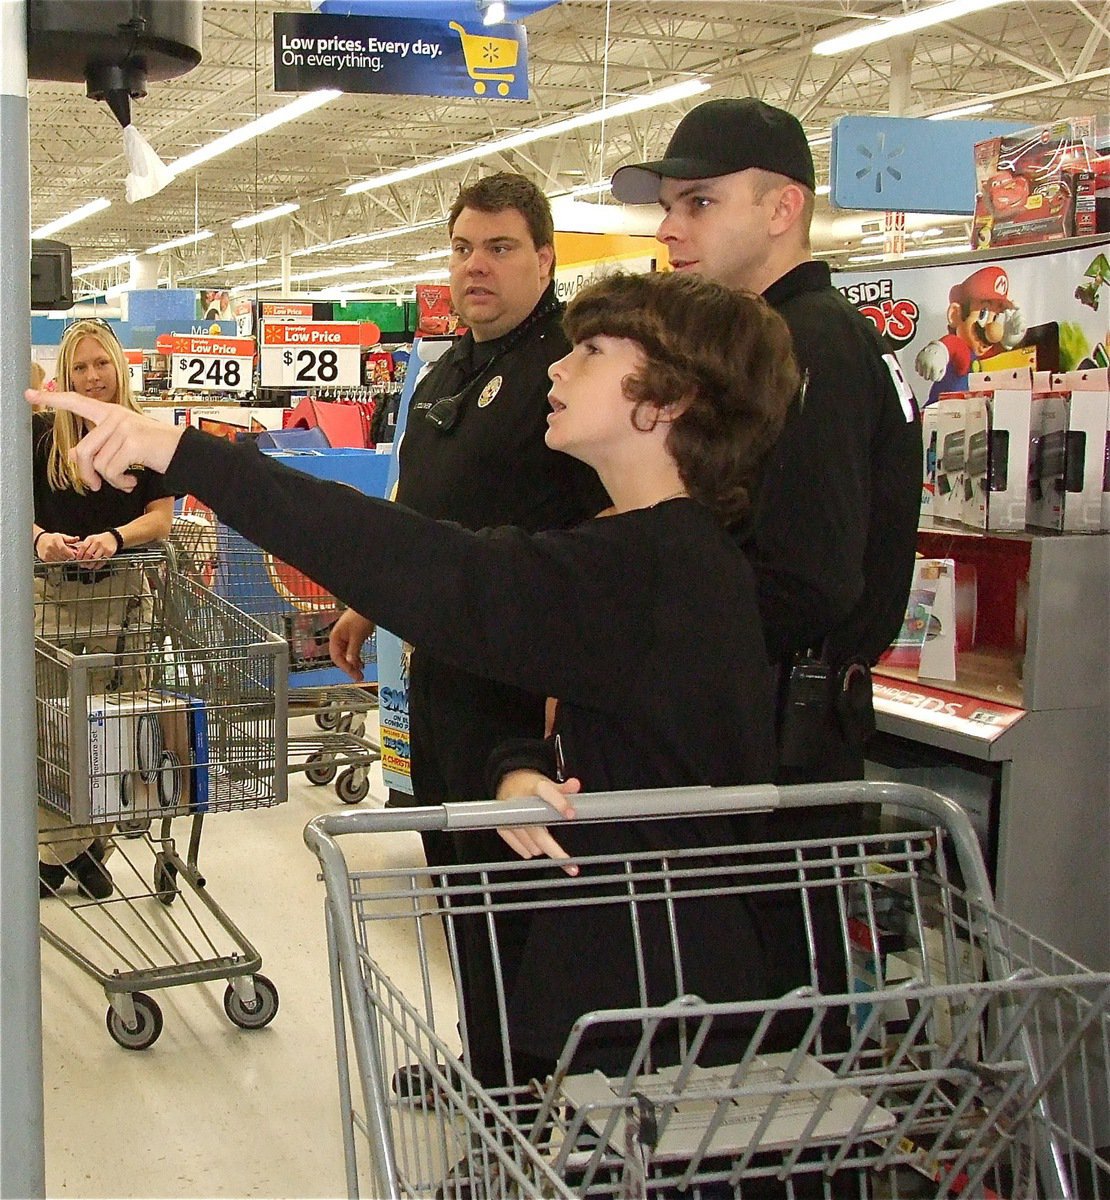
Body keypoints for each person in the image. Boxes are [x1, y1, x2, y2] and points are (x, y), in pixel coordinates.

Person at [30, 268, 798, 1082]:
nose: (558, 369)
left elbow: (433, 569)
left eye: (593, 352)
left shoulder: (652, 568)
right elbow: (617, 713)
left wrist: (187, 457)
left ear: (666, 401)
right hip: (636, 984)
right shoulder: (659, 552)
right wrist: (520, 765)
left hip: (669, 1020)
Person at [611, 96, 922, 785]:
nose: (668, 228)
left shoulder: (808, 347)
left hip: (777, 746)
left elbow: (808, 581)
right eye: (667, 206)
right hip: (765, 726)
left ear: (783, 210)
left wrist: (651, 645)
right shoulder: (784, 341)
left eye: (699, 204)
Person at [329, 172, 608, 831]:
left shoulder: (573, 369)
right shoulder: (445, 371)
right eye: (461, 248)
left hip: (524, 687)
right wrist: (370, 600)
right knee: (454, 878)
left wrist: (572, 682)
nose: (475, 265)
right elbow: (420, 503)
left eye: (500, 247)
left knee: (511, 894)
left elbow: (607, 528)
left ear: (544, 260)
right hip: (439, 672)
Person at [32, 318, 174, 900]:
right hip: (52, 598)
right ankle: (63, 848)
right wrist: (41, 540)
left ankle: (78, 850)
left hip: (122, 597)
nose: (92, 377)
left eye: (101, 363)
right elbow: (14, 511)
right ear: (66, 374)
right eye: (80, 366)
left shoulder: (148, 436)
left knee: (113, 726)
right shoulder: (41, 437)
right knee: (50, 725)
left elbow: (160, 517)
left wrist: (115, 537)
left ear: (119, 366)